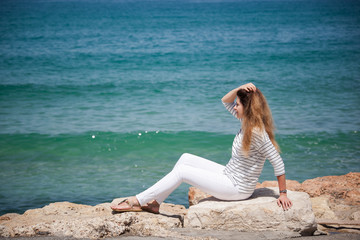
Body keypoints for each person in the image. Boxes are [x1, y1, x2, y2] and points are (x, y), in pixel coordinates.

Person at [111, 83, 293, 214]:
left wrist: (282, 194)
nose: (234, 107)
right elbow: (225, 101)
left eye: (238, 104)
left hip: (237, 189)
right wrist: (240, 88)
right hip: (228, 175)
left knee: (182, 172)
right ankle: (154, 203)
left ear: (247, 108)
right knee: (185, 158)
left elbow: (278, 162)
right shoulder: (246, 121)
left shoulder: (256, 132)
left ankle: (138, 201)